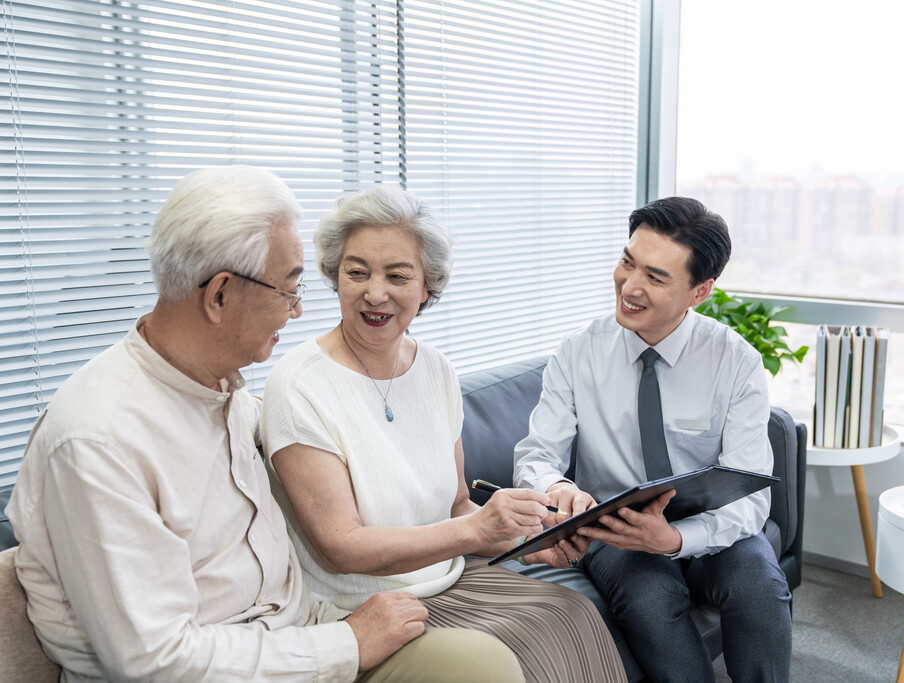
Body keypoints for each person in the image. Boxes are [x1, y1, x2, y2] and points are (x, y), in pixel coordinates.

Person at [5, 166, 524, 682]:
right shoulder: (99, 440)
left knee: (489, 659)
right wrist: (344, 644)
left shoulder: (223, 392)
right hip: (250, 664)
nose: (297, 313)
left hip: (297, 637)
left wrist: (528, 522)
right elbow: (155, 659)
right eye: (288, 289)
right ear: (220, 296)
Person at [259, 185, 627, 683]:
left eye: (397, 275)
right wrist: (476, 531)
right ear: (334, 275)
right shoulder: (298, 383)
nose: (374, 292)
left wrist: (524, 542)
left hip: (451, 578)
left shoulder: (435, 370)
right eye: (357, 271)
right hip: (362, 608)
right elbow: (339, 546)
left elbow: (456, 506)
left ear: (427, 287)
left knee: (573, 615)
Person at [513, 196, 793, 683]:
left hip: (706, 524)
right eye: (627, 263)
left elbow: (750, 496)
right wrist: (555, 487)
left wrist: (677, 538)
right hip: (616, 528)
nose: (630, 287)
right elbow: (538, 454)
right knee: (649, 596)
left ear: (700, 291)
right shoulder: (579, 353)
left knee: (758, 584)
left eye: (656, 277)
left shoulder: (735, 363)